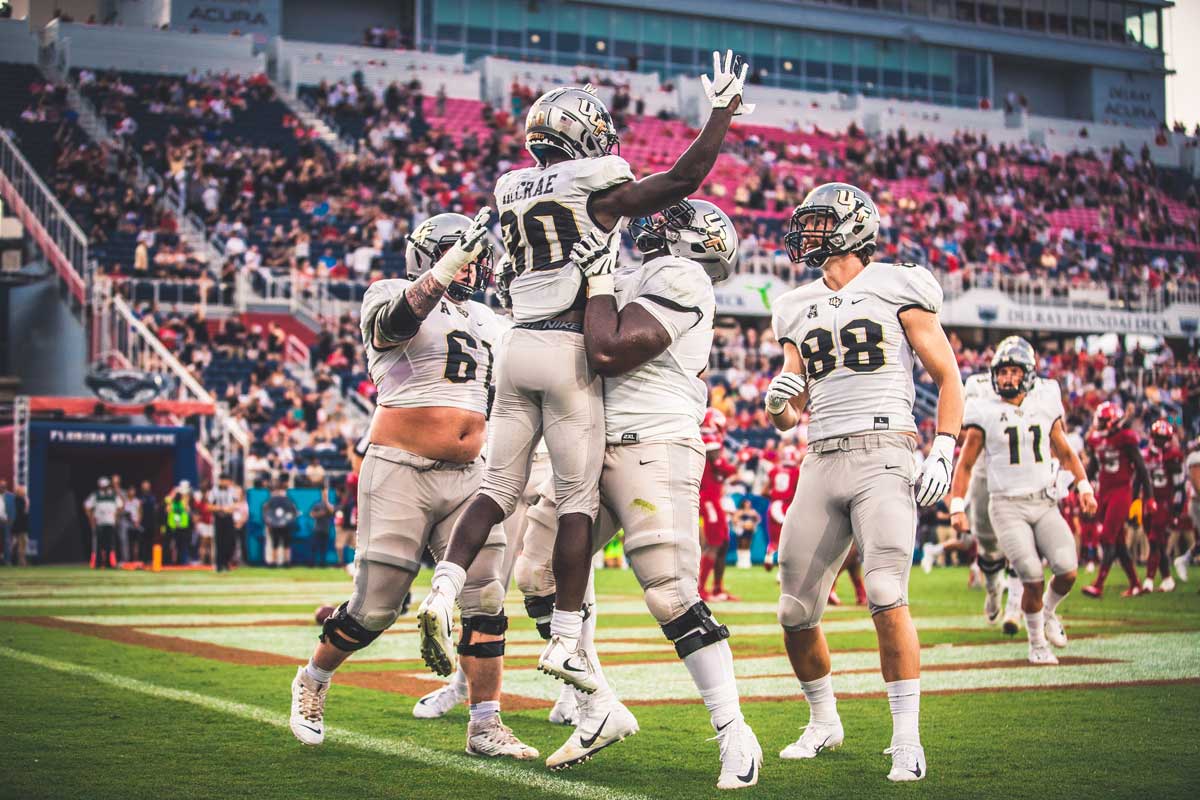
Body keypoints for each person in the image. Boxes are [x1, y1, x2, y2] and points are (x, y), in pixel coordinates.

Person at [419, 51, 754, 692]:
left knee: (496, 491)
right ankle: (569, 641)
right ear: (583, 134)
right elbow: (684, 179)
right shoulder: (594, 187)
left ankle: (441, 589)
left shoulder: (509, 186)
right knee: (575, 501)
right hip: (567, 348)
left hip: (515, 345)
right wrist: (720, 113)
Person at [512, 203, 762, 788]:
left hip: (654, 443)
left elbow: (611, 349)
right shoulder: (632, 274)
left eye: (674, 219)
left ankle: (734, 734)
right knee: (535, 571)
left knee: (669, 592)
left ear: (700, 242)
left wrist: (596, 281)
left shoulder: (682, 276)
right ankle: (599, 706)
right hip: (591, 446)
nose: (656, 222)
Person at [287, 211, 539, 760]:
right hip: (400, 467)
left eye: (479, 258)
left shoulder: (485, 316)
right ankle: (312, 679)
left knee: (486, 599)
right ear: (439, 254)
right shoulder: (388, 290)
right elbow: (394, 325)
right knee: (375, 607)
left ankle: (485, 724)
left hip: (471, 473)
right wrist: (450, 265)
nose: (478, 268)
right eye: (469, 256)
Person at [765, 182, 963, 782]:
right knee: (794, 609)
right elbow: (789, 409)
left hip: (886, 450)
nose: (808, 234)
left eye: (820, 223)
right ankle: (824, 720)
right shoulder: (793, 304)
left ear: (852, 226)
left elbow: (948, 376)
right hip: (820, 454)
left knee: (883, 591)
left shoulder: (899, 283)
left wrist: (944, 449)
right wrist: (777, 403)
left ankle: (907, 738)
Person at [948, 337, 1094, 665]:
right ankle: (1037, 643)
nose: (1006, 378)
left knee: (1068, 571)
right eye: (1002, 372)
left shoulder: (1045, 401)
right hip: (1006, 504)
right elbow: (966, 463)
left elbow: (1065, 450)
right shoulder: (984, 408)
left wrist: (1084, 486)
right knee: (1030, 573)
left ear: (1028, 374)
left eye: (1014, 371)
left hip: (1044, 501)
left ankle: (1049, 612)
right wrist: (957, 505)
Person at [1081, 402, 1151, 598]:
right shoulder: (1096, 440)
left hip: (1121, 492)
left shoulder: (1125, 438)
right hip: (1104, 493)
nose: (1100, 425)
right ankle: (1136, 584)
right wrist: (1079, 485)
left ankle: (1099, 584)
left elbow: (1141, 468)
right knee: (1118, 543)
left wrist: (1148, 497)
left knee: (1107, 538)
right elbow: (1093, 467)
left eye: (1103, 421)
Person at [699, 407, 738, 600]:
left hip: (713, 496)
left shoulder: (707, 440)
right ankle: (701, 589)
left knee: (723, 543)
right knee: (714, 543)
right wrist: (734, 467)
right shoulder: (709, 441)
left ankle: (717, 588)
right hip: (708, 498)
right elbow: (721, 466)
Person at [1142, 420, 1184, 592]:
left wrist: (1176, 511)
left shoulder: (1172, 456)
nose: (1159, 441)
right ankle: (1167, 579)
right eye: (1157, 437)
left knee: (1154, 540)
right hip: (1148, 502)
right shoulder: (1146, 455)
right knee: (1157, 543)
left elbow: (1179, 486)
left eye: (1162, 438)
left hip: (1164, 503)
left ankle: (1149, 581)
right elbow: (1140, 479)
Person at [765, 445, 801, 571]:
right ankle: (781, 572)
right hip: (786, 506)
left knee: (774, 539)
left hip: (774, 505)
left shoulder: (775, 470)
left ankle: (769, 557)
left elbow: (764, 491)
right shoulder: (797, 471)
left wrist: (775, 495)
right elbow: (798, 491)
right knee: (789, 540)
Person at [85, 477, 124, 569]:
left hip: (110, 523)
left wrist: (116, 517)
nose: (104, 488)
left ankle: (110, 563)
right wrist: (91, 519)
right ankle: (98, 563)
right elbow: (87, 506)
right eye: (103, 487)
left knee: (110, 544)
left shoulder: (113, 495)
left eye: (105, 486)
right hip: (99, 523)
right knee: (99, 544)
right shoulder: (95, 495)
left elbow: (121, 506)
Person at [262, 484, 299, 567]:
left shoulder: (289, 501)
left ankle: (287, 561)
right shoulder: (270, 502)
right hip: (274, 526)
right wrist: (269, 523)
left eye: (282, 490)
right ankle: (274, 562)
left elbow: (293, 513)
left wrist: (287, 521)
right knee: (274, 544)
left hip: (286, 526)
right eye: (279, 490)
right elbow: (267, 513)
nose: (280, 492)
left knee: (286, 544)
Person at [210, 475, 240, 572]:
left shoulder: (232, 491)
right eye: (224, 481)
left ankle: (227, 562)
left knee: (230, 542)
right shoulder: (214, 491)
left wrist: (230, 508)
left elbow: (237, 504)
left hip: (229, 518)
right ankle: (219, 564)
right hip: (218, 518)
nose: (225, 483)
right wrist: (221, 508)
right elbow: (208, 506)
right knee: (219, 542)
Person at [308, 486, 335, 567]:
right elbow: (311, 514)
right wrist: (320, 514)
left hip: (326, 529)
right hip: (317, 529)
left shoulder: (330, 505)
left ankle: (322, 563)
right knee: (314, 547)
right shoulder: (317, 504)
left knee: (324, 548)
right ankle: (312, 563)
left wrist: (326, 502)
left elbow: (332, 511)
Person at [164, 486, 191, 565]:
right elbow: (167, 508)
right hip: (173, 527)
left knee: (181, 546)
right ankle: (169, 562)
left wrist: (183, 494)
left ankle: (182, 562)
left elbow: (187, 507)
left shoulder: (183, 501)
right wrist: (174, 494)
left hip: (182, 527)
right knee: (171, 545)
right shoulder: (170, 501)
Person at [732, 498, 760, 569]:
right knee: (741, 544)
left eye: (749, 503)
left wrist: (752, 525)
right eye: (746, 503)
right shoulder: (739, 511)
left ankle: (747, 562)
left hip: (750, 530)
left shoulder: (753, 512)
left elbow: (758, 519)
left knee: (748, 545)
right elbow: (735, 520)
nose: (748, 505)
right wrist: (743, 524)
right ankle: (740, 562)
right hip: (741, 530)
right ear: (743, 504)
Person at [137, 481, 159, 564]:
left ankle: (150, 559)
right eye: (144, 486)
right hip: (142, 523)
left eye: (147, 486)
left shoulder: (153, 497)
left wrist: (156, 523)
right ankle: (142, 559)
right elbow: (138, 510)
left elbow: (155, 510)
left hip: (151, 523)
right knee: (142, 542)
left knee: (150, 542)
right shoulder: (139, 498)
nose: (146, 488)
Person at [193, 481, 214, 566]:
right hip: (204, 523)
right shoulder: (200, 500)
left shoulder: (211, 498)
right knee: (203, 543)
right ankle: (202, 560)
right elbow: (197, 512)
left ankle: (211, 561)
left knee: (211, 543)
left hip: (210, 523)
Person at [9, 486, 29, 566]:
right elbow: (21, 513)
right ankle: (22, 562)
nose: (24, 492)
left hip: (20, 525)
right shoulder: (18, 500)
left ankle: (19, 561)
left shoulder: (21, 500)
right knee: (21, 543)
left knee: (21, 543)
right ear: (18, 492)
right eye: (22, 491)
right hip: (19, 526)